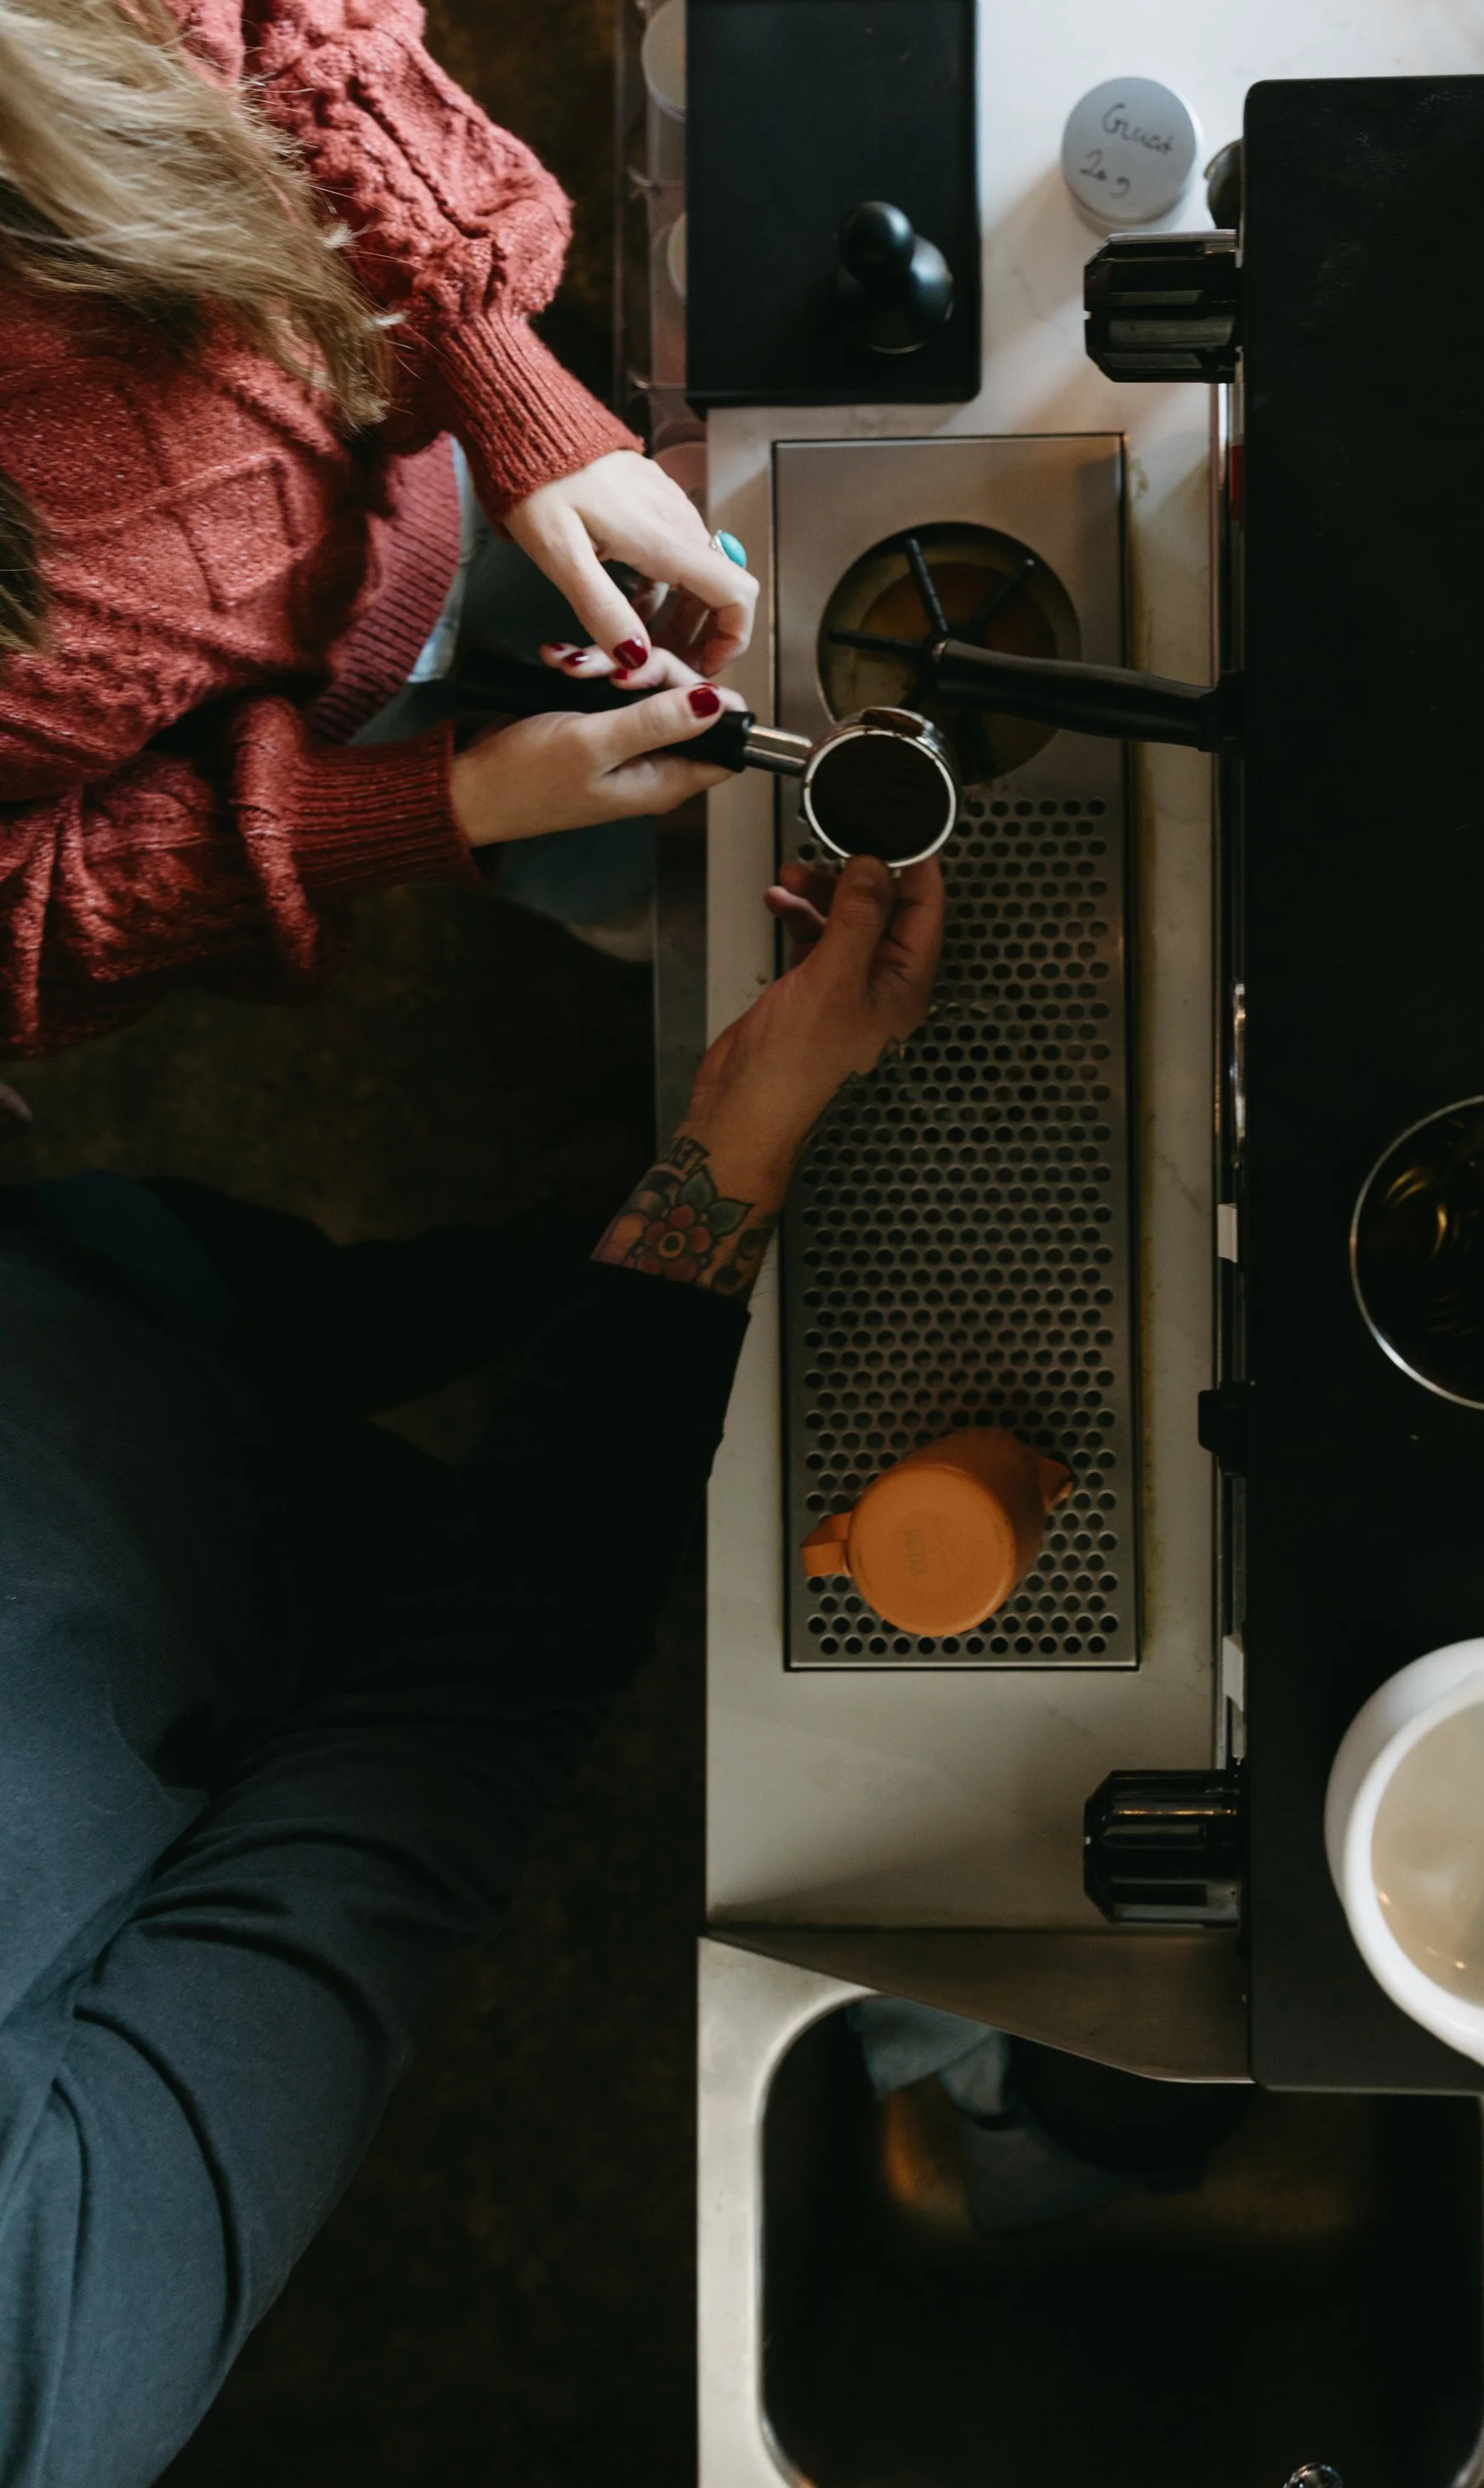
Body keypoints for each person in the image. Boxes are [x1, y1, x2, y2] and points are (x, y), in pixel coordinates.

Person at [0, 844, 943, 2488]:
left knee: (340, 1307)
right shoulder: (36, 2354)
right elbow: (446, 1719)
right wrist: (725, 1156)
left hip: (117, 1290)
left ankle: (529, 1253)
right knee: (381, 1482)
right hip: (239, 1593)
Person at [0, 0, 753, 1053]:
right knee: (624, 871)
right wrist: (444, 806)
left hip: (429, 437)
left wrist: (503, 375)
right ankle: (582, 891)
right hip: (309, 752)